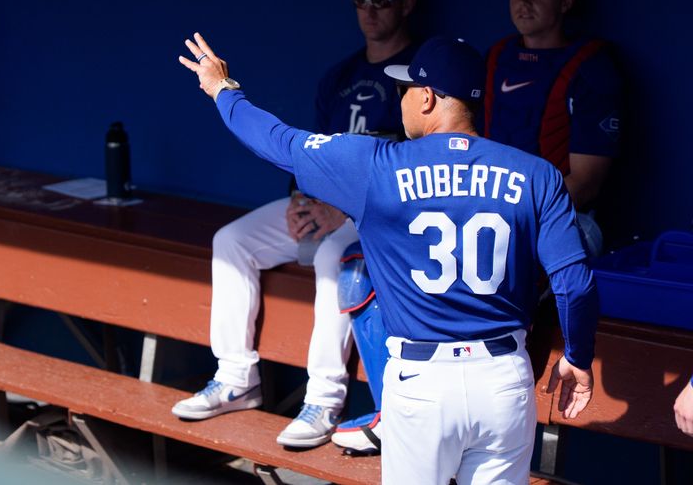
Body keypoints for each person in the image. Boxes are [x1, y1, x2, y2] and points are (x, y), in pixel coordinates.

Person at [180, 32, 598, 484]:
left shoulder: (375, 164)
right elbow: (574, 282)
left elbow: (276, 140)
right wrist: (577, 355)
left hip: (421, 383)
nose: (400, 99)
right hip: (502, 379)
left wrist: (223, 90)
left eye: (404, 89)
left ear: (428, 98)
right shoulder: (536, 173)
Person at [171, 0, 418, 449]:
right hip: (324, 202)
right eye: (361, 2)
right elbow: (309, 152)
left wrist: (341, 210)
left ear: (407, 5)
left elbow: (410, 171)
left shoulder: (417, 77)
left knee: (333, 256)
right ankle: (236, 378)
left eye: (381, 2)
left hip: (377, 216)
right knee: (232, 240)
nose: (369, 12)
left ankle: (324, 400)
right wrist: (299, 199)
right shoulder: (340, 75)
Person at [484, 0, 622, 254]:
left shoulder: (589, 65)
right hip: (490, 217)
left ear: (566, 2)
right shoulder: (497, 57)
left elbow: (586, 183)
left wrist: (511, 222)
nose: (524, 2)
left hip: (560, 221)